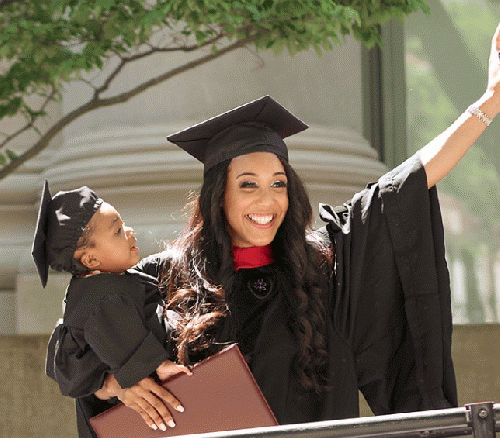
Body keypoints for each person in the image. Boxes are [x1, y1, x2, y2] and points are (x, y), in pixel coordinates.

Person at [48, 22, 500, 436]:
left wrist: (489, 101)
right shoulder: (164, 279)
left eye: (278, 184)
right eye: (247, 185)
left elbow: (406, 185)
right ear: (217, 196)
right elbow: (70, 352)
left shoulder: (326, 267)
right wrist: (118, 384)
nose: (267, 201)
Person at [32, 182, 190, 438]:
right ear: (91, 260)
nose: (129, 231)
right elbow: (122, 336)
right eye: (117, 231)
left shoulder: (111, 283)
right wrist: (161, 365)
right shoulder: (101, 294)